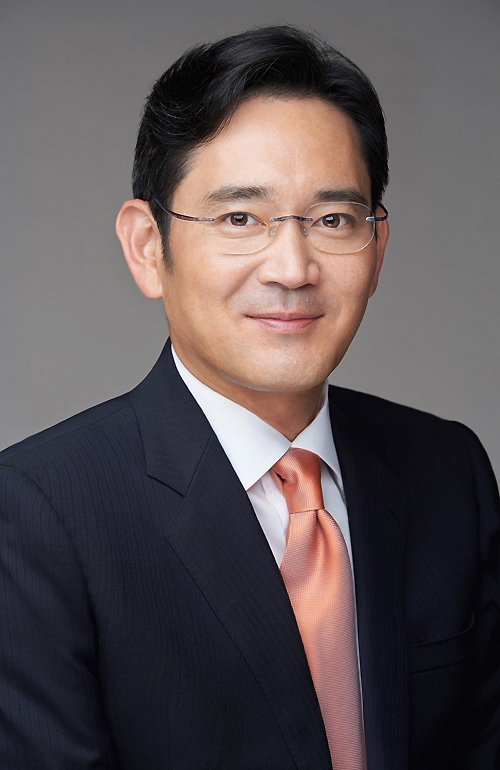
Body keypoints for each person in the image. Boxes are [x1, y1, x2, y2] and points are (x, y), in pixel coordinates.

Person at [0, 25, 498, 770]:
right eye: (240, 218)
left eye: (333, 220)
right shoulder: (36, 514)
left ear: (377, 249)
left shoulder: (447, 470)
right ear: (147, 247)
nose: (292, 268)